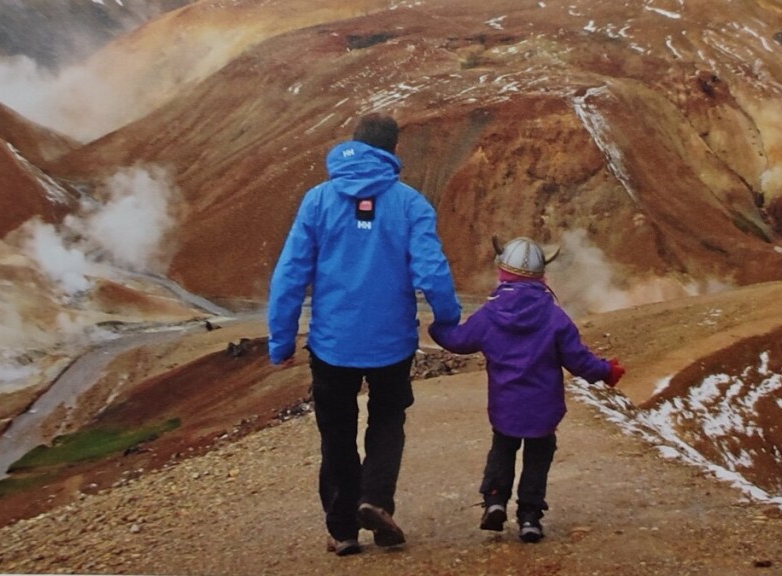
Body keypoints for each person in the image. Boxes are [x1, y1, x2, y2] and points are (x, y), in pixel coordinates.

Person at [267, 113, 462, 556]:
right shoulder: (411, 204)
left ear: (354, 144)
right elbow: (432, 271)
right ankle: (375, 500)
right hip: (392, 344)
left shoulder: (317, 201)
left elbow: (290, 274)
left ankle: (343, 531)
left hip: (332, 345)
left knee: (336, 433)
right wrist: (446, 322)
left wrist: (280, 339)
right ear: (393, 151)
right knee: (387, 422)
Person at [428, 236, 625, 543]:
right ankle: (530, 517)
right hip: (544, 409)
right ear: (540, 275)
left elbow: (459, 341)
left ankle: (494, 500)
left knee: (503, 449)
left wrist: (435, 327)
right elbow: (578, 360)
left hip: (505, 406)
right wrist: (607, 371)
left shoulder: (490, 314)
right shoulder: (555, 316)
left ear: (502, 272)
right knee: (538, 456)